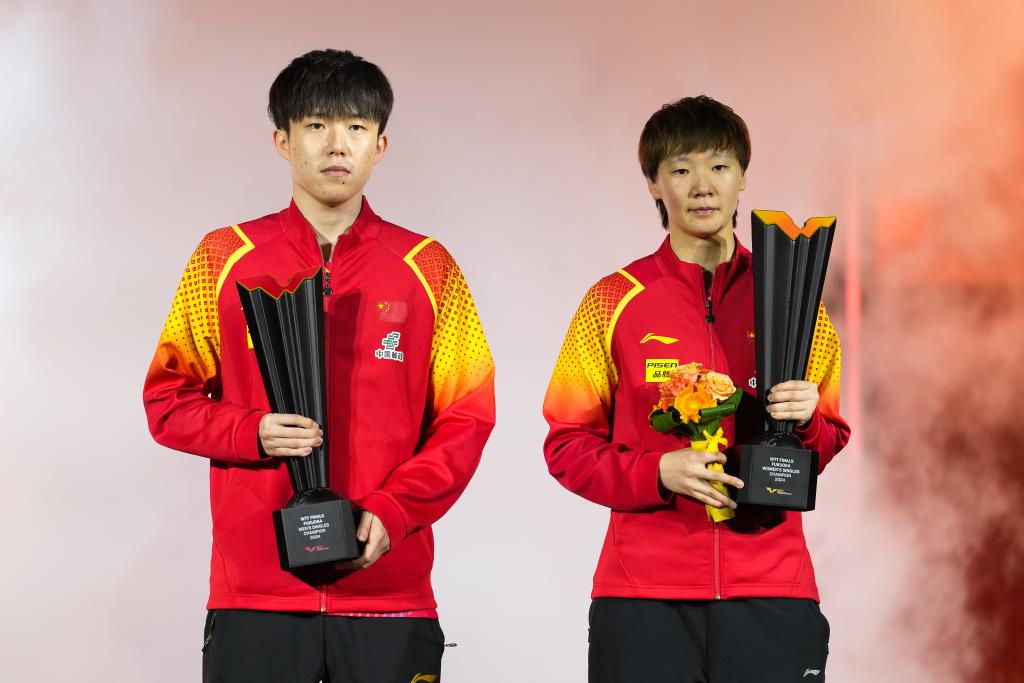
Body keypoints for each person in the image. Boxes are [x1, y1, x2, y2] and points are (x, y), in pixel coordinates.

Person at [143, 49, 495, 682]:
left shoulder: (427, 266)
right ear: (282, 140)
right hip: (257, 598)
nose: (337, 144)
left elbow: (467, 417)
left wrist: (395, 510)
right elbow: (167, 401)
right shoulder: (224, 257)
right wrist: (250, 431)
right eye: (316, 125)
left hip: (390, 596)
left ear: (380, 145)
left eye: (356, 127)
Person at [542, 95, 849, 682]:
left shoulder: (796, 300)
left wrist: (809, 421)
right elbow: (566, 445)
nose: (702, 186)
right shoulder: (612, 301)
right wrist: (657, 472)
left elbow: (830, 437)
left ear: (742, 177)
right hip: (642, 598)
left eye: (719, 166)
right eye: (681, 169)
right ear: (654, 184)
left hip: (773, 589)